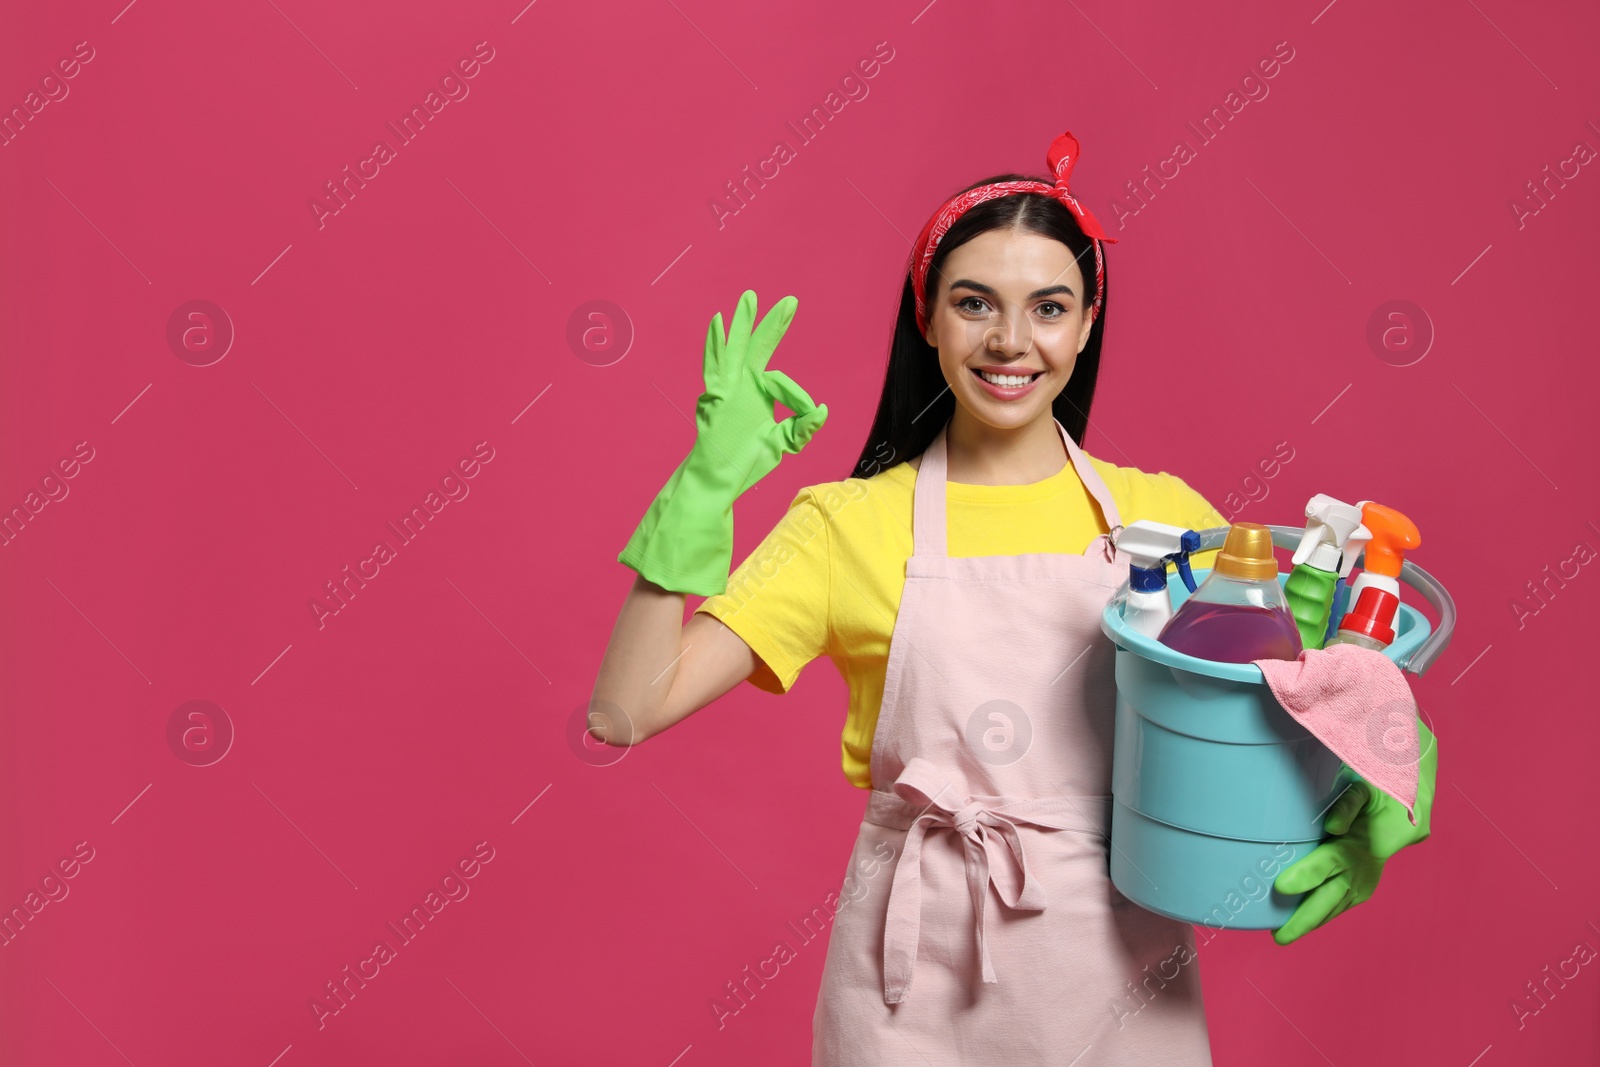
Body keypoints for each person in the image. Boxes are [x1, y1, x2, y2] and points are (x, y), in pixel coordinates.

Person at [593, 129, 1435, 1066]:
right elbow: (626, 709)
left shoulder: (1168, 524)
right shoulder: (848, 524)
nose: (1009, 341)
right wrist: (701, 492)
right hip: (909, 987)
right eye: (974, 303)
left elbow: (1308, 683)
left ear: (1085, 325)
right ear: (929, 318)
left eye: (1048, 307)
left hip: (1121, 981)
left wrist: (1395, 763)